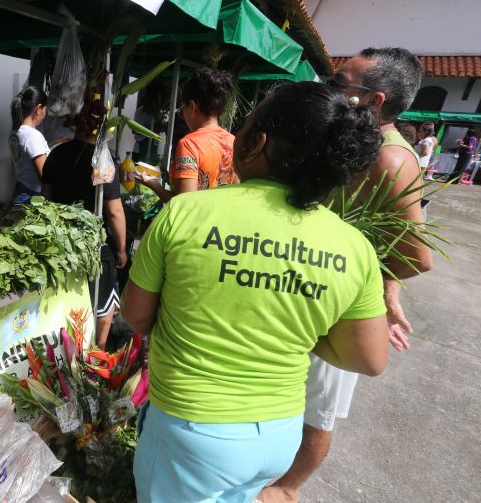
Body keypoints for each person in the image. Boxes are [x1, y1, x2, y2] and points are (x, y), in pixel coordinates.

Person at [121, 81, 389, 503]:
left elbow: (135, 316)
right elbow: (370, 358)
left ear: (256, 142)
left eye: (243, 126)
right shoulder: (353, 246)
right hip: (280, 434)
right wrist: (290, 331)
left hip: (193, 432)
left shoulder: (186, 212)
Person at [260, 47, 432, 503]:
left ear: (374, 101)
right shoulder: (357, 140)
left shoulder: (391, 160)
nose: (328, 89)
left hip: (336, 299)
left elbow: (415, 253)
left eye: (339, 83)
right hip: (313, 289)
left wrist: (378, 286)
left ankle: (286, 489)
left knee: (318, 408)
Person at [42, 101, 127, 348]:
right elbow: (115, 212)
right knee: (103, 298)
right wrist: (121, 249)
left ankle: (67, 348)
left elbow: (45, 198)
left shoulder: (56, 154)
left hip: (59, 242)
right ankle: (98, 351)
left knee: (65, 296)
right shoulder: (102, 159)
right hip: (94, 245)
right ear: (102, 128)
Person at [138, 68, 236, 202]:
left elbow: (184, 202)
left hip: (197, 222)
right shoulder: (233, 141)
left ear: (192, 106)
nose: (182, 113)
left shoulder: (190, 144)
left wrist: (153, 185)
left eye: (182, 108)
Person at [9, 86, 51, 206]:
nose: (45, 113)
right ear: (38, 108)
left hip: (21, 189)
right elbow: (45, 175)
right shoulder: (33, 136)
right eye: (45, 109)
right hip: (32, 196)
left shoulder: (14, 131)